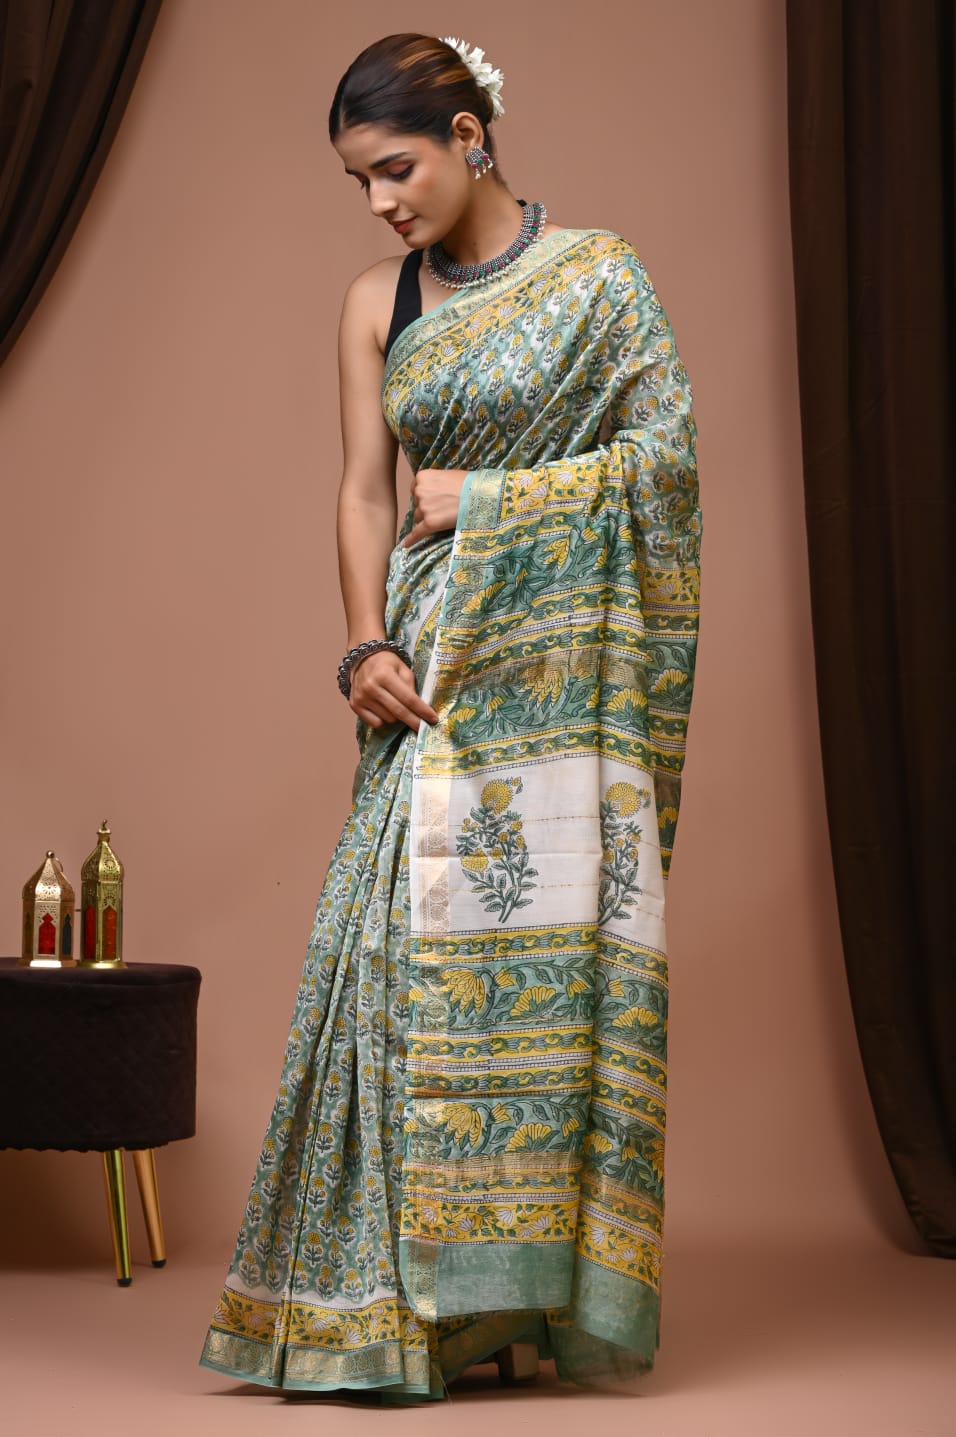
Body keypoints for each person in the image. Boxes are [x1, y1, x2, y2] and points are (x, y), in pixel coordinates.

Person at [200, 32, 700, 1401]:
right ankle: (381, 1310)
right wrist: (361, 640)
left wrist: (492, 498)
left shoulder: (600, 276)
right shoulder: (378, 299)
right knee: (395, 955)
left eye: (397, 169)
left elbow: (665, 465)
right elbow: (364, 488)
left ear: (471, 135)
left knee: (537, 972)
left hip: (567, 675)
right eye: (358, 181)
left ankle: (496, 1309)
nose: (379, 202)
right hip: (438, 668)